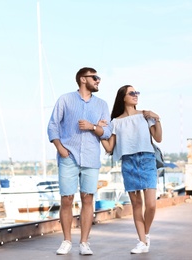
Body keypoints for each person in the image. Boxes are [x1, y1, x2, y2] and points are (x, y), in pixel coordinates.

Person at [47, 67, 112, 255]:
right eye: (95, 77)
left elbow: (107, 132)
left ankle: (84, 242)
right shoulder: (65, 100)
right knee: (67, 199)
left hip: (91, 157)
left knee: (87, 198)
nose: (98, 81)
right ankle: (66, 240)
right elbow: (53, 125)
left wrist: (92, 126)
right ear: (83, 79)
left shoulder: (102, 105)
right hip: (69, 156)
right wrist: (60, 148)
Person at [100, 84, 162, 254]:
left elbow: (158, 137)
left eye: (136, 92)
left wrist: (157, 118)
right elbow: (109, 148)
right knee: (136, 205)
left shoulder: (145, 115)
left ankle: (146, 234)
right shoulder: (116, 122)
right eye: (131, 93)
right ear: (123, 98)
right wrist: (98, 132)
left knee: (151, 205)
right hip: (128, 162)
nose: (135, 95)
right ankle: (142, 241)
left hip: (147, 160)